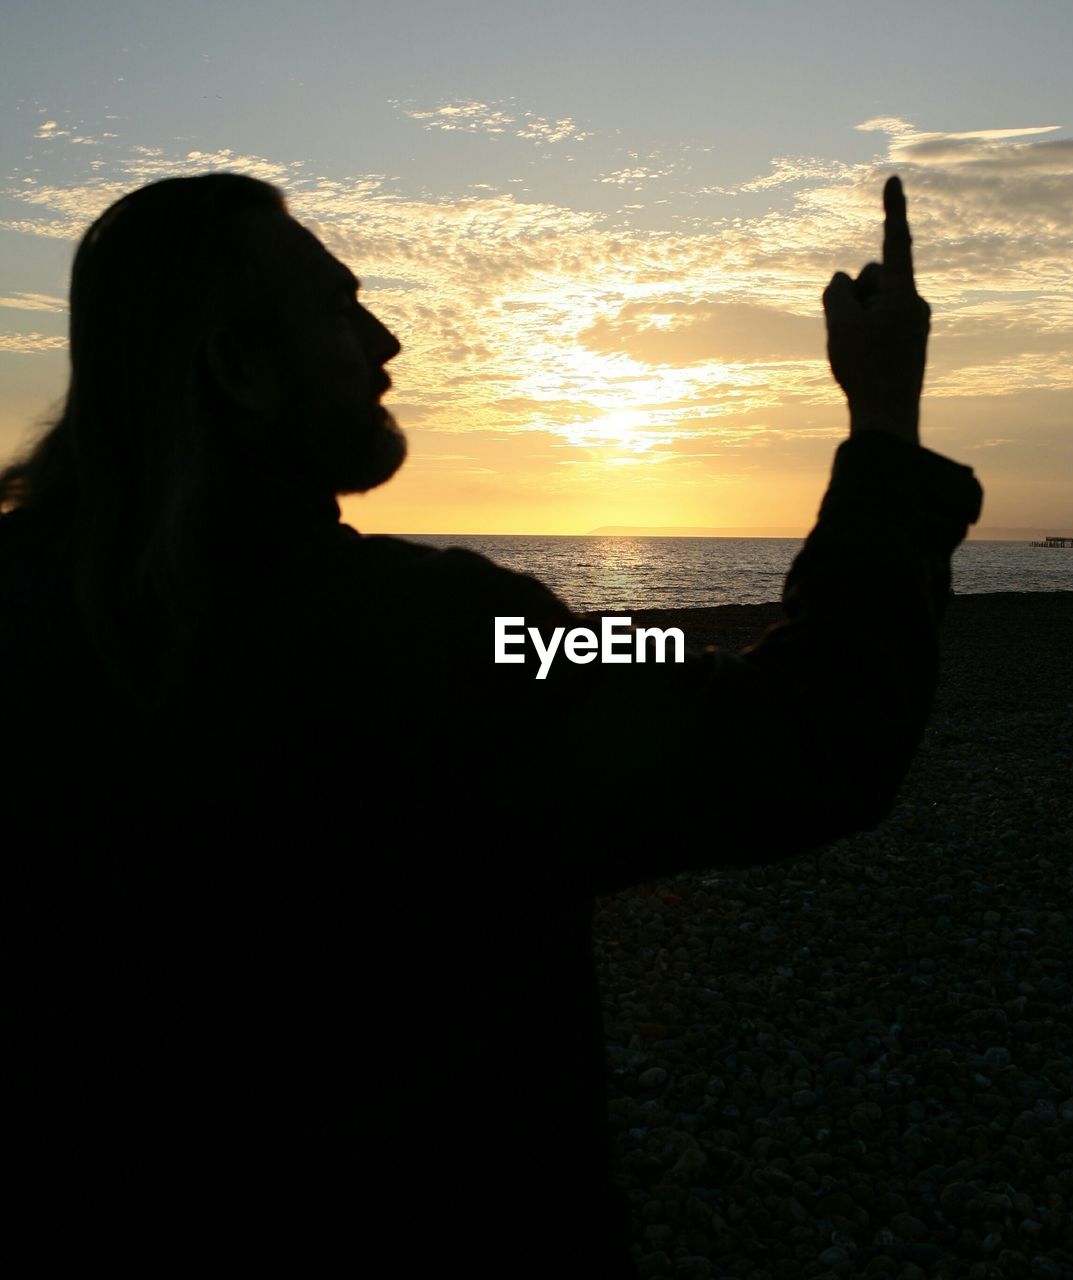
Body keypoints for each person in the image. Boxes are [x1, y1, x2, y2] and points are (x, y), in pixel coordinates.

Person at [0, 172, 981, 1274]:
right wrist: (883, 421)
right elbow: (810, 735)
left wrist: (634, 642)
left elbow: (616, 658)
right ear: (240, 366)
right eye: (338, 307)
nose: (387, 340)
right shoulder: (454, 639)